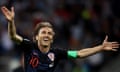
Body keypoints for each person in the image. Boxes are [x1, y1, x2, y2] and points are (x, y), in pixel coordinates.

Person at [1, 6, 119, 72]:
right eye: (43, 32)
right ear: (36, 37)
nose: (47, 35)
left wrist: (101, 48)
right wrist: (11, 22)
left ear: (52, 38)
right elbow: (13, 36)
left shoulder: (57, 53)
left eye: (49, 33)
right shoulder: (29, 46)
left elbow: (79, 54)